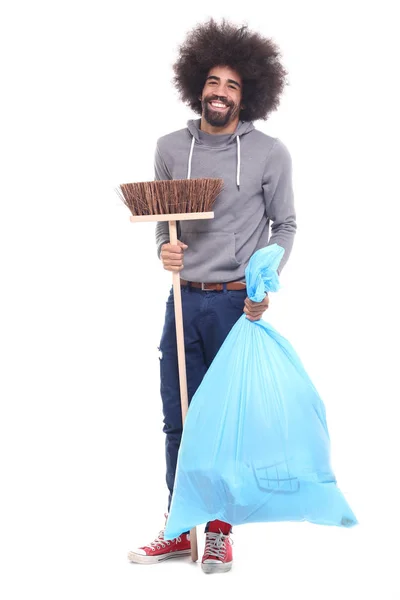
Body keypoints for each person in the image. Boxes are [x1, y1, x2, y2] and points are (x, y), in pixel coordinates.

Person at [128, 18, 296, 574]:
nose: (221, 93)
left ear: (249, 93)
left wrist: (262, 281)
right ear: (197, 83)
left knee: (227, 420)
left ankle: (220, 529)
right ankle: (180, 527)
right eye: (214, 82)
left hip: (233, 305)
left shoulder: (270, 153)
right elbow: (162, 223)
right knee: (179, 419)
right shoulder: (169, 148)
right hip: (183, 299)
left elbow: (285, 226)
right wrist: (163, 252)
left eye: (233, 86)